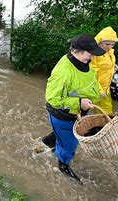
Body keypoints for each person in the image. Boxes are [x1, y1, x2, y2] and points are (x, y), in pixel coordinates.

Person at [45, 34, 105, 182]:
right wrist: (79, 103)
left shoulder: (83, 63)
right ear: (77, 51)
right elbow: (52, 99)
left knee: (62, 138)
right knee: (71, 145)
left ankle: (46, 144)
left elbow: (90, 80)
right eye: (90, 54)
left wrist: (97, 93)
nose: (92, 58)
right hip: (63, 115)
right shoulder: (63, 72)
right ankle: (63, 165)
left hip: (78, 113)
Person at [90, 26, 118, 115]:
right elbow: (90, 74)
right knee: (85, 111)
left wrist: (113, 68)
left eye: (112, 44)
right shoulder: (93, 54)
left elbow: (106, 67)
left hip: (106, 90)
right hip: (94, 90)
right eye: (107, 44)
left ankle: (104, 127)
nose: (110, 47)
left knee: (107, 113)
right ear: (100, 42)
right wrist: (100, 90)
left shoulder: (109, 52)